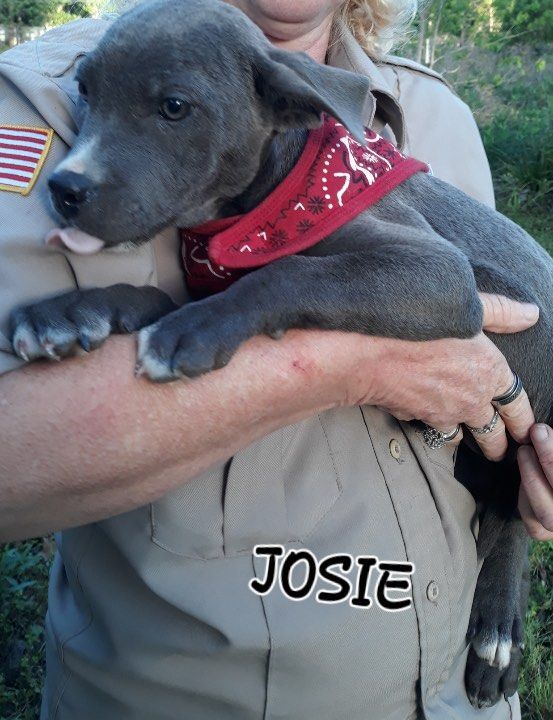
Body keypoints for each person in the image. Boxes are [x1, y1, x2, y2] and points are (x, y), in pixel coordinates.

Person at [0, 0, 550, 718]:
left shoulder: (432, 106)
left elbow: (454, 298)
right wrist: (342, 362)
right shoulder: (39, 91)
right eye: (95, 103)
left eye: (170, 107)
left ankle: (504, 546)